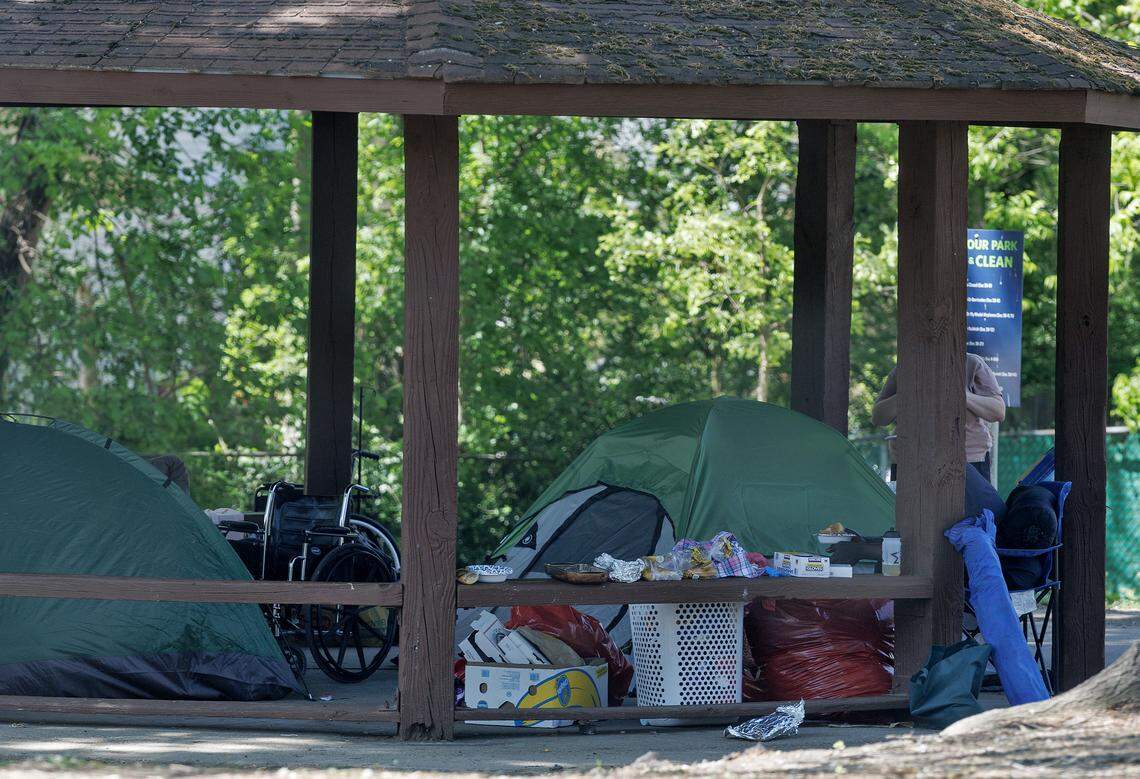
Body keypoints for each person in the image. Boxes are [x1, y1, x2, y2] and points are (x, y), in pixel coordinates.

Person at [872, 353, 1006, 482]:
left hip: (967, 461)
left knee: (966, 506)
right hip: (910, 461)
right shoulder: (906, 367)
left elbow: (998, 411)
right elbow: (878, 418)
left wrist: (963, 395)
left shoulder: (971, 363)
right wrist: (907, 393)